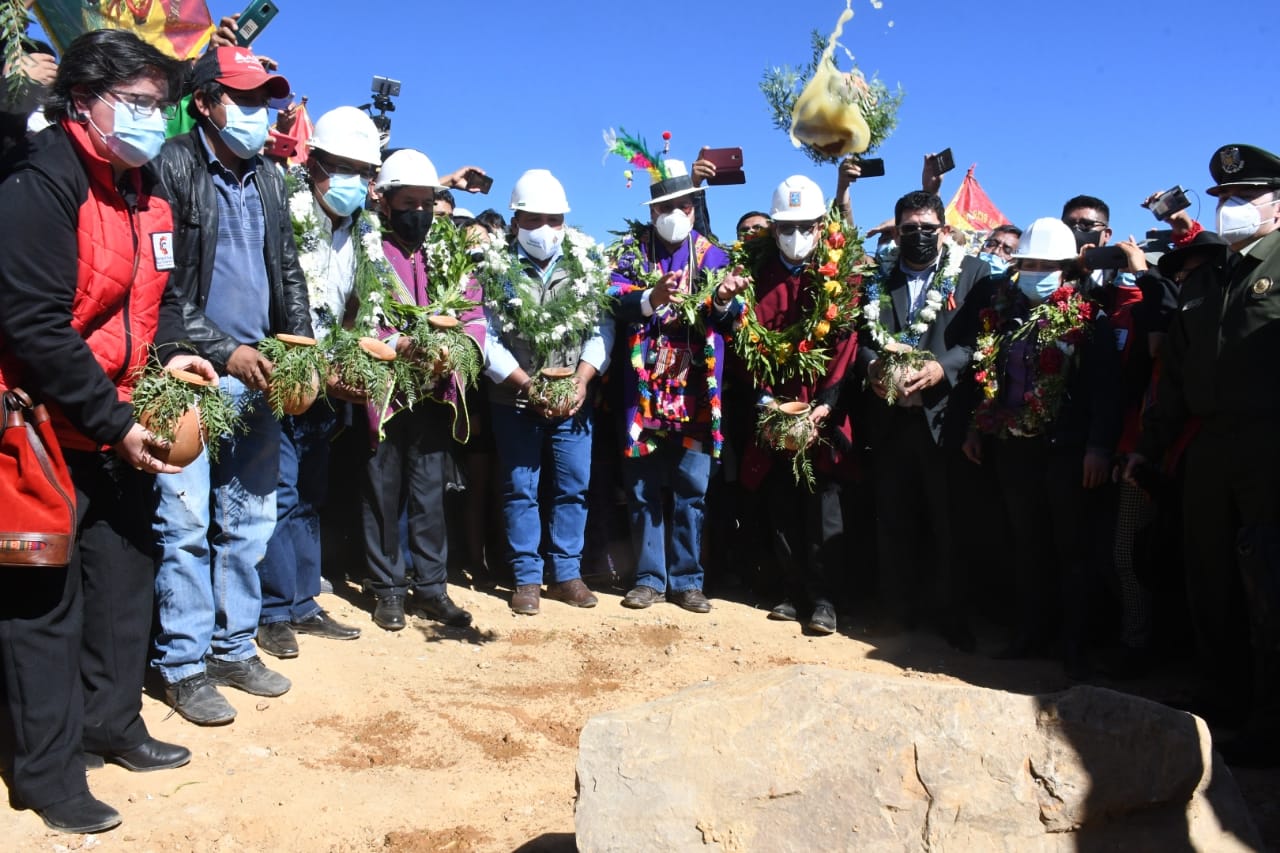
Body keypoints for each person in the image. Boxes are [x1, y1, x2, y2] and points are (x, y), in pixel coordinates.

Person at [0, 29, 201, 834]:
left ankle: (113, 723)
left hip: (120, 424)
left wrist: (178, 356)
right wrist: (114, 419)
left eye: (162, 104)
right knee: (43, 605)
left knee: (123, 588)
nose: (155, 118)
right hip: (47, 425)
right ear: (83, 101)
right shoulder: (39, 187)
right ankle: (48, 772)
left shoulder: (149, 191)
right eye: (139, 103)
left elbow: (164, 300)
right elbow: (35, 326)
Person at [150, 46, 310, 724]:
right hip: (192, 372)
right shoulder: (173, 167)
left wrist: (298, 350)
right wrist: (226, 350)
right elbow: (161, 289)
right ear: (208, 101)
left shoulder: (270, 178)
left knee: (249, 520)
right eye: (243, 99)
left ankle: (232, 643)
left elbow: (289, 272)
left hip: (259, 375)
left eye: (262, 101)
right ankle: (182, 664)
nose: (256, 114)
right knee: (183, 522)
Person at [1127, 143, 1280, 765]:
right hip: (1211, 445)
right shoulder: (1210, 275)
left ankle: (1272, 721)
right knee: (1208, 573)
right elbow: (1180, 376)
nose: (1231, 208)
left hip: (1272, 442)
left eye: (1245, 197)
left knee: (1268, 581)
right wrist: (1148, 449)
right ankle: (1223, 696)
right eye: (1223, 199)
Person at [962, 217, 1121, 677]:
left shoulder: (1089, 318)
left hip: (1067, 451)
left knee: (1071, 548)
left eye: (1047, 264)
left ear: (1068, 269)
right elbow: (986, 380)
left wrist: (1098, 447)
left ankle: (1074, 642)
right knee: (1026, 544)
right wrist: (977, 427)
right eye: (1029, 262)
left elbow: (1106, 391)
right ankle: (1029, 631)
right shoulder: (1004, 313)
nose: (1037, 271)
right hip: (1013, 447)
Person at [254, 105, 384, 660]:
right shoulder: (284, 208)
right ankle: (272, 610)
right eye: (344, 167)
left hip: (328, 381)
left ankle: (305, 600)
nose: (354, 181)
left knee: (310, 494)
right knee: (276, 493)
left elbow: (362, 306)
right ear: (316, 163)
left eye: (364, 170)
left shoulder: (363, 230)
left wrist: (360, 359)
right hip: (283, 370)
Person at [608, 160, 747, 613]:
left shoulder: (713, 255)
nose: (674, 212)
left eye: (683, 204)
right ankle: (649, 578)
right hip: (644, 392)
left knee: (691, 488)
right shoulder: (631, 252)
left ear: (693, 208)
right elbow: (615, 299)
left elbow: (730, 318)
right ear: (652, 212)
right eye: (665, 205)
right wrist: (652, 299)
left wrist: (722, 299)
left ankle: (688, 580)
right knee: (644, 488)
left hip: (695, 392)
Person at [858, 190, 992, 650]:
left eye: (927, 229)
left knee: (948, 524)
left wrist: (941, 368)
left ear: (944, 230)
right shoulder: (878, 275)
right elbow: (862, 336)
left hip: (944, 420)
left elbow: (980, 341)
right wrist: (873, 365)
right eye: (909, 229)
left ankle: (951, 617)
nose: (918, 237)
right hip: (891, 420)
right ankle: (897, 613)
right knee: (894, 521)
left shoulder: (973, 274)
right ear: (896, 232)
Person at [480, 169, 613, 615]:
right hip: (514, 399)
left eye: (554, 220)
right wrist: (525, 382)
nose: (545, 230)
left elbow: (601, 328)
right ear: (515, 221)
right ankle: (526, 578)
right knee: (521, 487)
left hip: (573, 398)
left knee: (572, 487)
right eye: (534, 219)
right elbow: (487, 337)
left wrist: (581, 379)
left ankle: (567, 574)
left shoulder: (586, 264)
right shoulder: (492, 268)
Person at [359, 148, 483, 631]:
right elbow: (352, 321)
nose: (420, 214)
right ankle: (387, 588)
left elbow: (473, 315)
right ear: (384, 203)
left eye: (427, 204)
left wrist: (460, 350)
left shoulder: (448, 251)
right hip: (385, 392)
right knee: (382, 492)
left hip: (434, 391)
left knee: (430, 493)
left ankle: (432, 588)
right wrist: (397, 344)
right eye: (408, 204)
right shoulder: (367, 248)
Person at [736, 176, 860, 635]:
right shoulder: (758, 279)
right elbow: (747, 344)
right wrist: (766, 402)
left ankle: (826, 599)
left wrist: (824, 405)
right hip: (774, 414)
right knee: (782, 506)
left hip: (821, 416)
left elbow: (845, 345)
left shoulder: (836, 277)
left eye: (805, 225)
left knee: (823, 510)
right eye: (786, 226)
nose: (796, 235)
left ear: (819, 224)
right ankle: (792, 592)